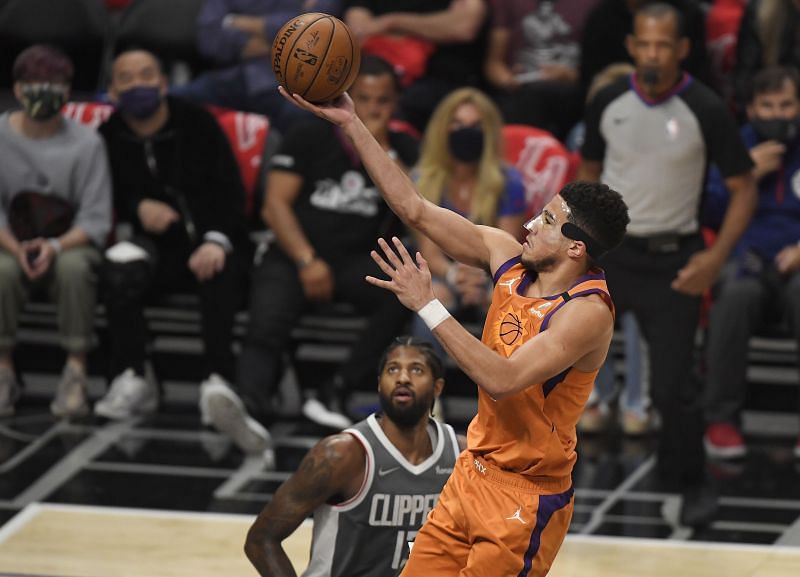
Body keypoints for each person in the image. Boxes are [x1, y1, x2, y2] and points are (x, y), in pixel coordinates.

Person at [282, 81, 630, 575]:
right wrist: (352, 124)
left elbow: (504, 379)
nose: (531, 224)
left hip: (526, 498)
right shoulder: (507, 256)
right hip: (472, 473)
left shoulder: (587, 312)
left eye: (547, 220)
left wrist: (427, 305)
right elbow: (414, 208)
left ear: (576, 248)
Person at [577, 2, 757, 525]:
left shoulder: (706, 107)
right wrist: (579, 249)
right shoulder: (607, 100)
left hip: (674, 261)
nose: (653, 54)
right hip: (612, 257)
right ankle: (539, 473)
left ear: (681, 49)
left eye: (664, 45)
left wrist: (715, 255)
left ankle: (692, 483)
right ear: (631, 46)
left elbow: (744, 188)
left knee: (672, 390)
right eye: (644, 44)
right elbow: (586, 177)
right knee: (563, 369)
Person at [200, 56, 416, 456]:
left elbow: (416, 212)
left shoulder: (404, 149)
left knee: (405, 291)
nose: (373, 109)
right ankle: (249, 408)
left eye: (383, 101)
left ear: (396, 104)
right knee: (268, 316)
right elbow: (274, 207)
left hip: (355, 259)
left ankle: (335, 390)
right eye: (364, 99)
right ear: (348, 98)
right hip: (295, 252)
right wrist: (306, 259)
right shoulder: (307, 136)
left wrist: (384, 152)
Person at [96, 49, 250, 426]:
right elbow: (106, 194)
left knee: (217, 271)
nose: (138, 84)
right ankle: (134, 375)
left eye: (146, 75)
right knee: (117, 270)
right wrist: (138, 207)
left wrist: (215, 238)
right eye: (126, 78)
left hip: (214, 240)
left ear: (163, 83)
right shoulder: (108, 135)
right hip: (156, 249)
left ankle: (217, 382)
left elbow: (232, 192)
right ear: (112, 91)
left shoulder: (197, 123)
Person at [244, 337, 465, 577]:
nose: (403, 378)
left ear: (437, 388)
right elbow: (261, 540)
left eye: (416, 370)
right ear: (380, 384)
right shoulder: (341, 454)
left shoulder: (461, 455)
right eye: (393, 369)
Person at [0, 45, 112, 418]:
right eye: (34, 83)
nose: (44, 92)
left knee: (75, 269)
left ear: (67, 92)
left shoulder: (87, 143)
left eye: (55, 84)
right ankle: (3, 369)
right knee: (1, 270)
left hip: (68, 242)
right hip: (9, 240)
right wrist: (16, 248)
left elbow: (96, 219)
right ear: (17, 89)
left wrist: (53, 245)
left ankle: (75, 369)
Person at [703, 66, 800, 460]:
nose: (778, 115)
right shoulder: (734, 144)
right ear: (752, 110)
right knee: (736, 294)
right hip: (746, 261)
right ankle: (722, 420)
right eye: (768, 106)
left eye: (787, 105)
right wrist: (746, 177)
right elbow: (707, 211)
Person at [412, 87, 526, 352]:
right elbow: (429, 253)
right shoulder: (424, 179)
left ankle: (506, 388)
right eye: (458, 124)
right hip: (443, 273)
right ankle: (431, 388)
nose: (466, 133)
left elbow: (507, 251)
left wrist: (481, 281)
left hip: (491, 271)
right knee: (432, 301)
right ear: (444, 129)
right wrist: (454, 276)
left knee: (502, 302)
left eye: (476, 126)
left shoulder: (508, 181)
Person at [172, 0, 341, 133]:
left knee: (304, 114)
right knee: (171, 98)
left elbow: (317, 28)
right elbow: (209, 40)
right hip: (230, 77)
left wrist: (234, 21)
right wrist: (280, 38)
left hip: (285, 80)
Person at [344, 0, 489, 132]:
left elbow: (465, 27)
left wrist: (393, 23)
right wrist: (433, 28)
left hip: (442, 82)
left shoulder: (391, 21)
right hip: (379, 73)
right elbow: (358, 29)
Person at [485, 0, 596, 140]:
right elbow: (494, 63)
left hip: (575, 91)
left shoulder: (592, 5)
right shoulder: (510, 6)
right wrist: (508, 81)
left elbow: (601, 66)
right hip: (522, 92)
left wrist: (572, 74)